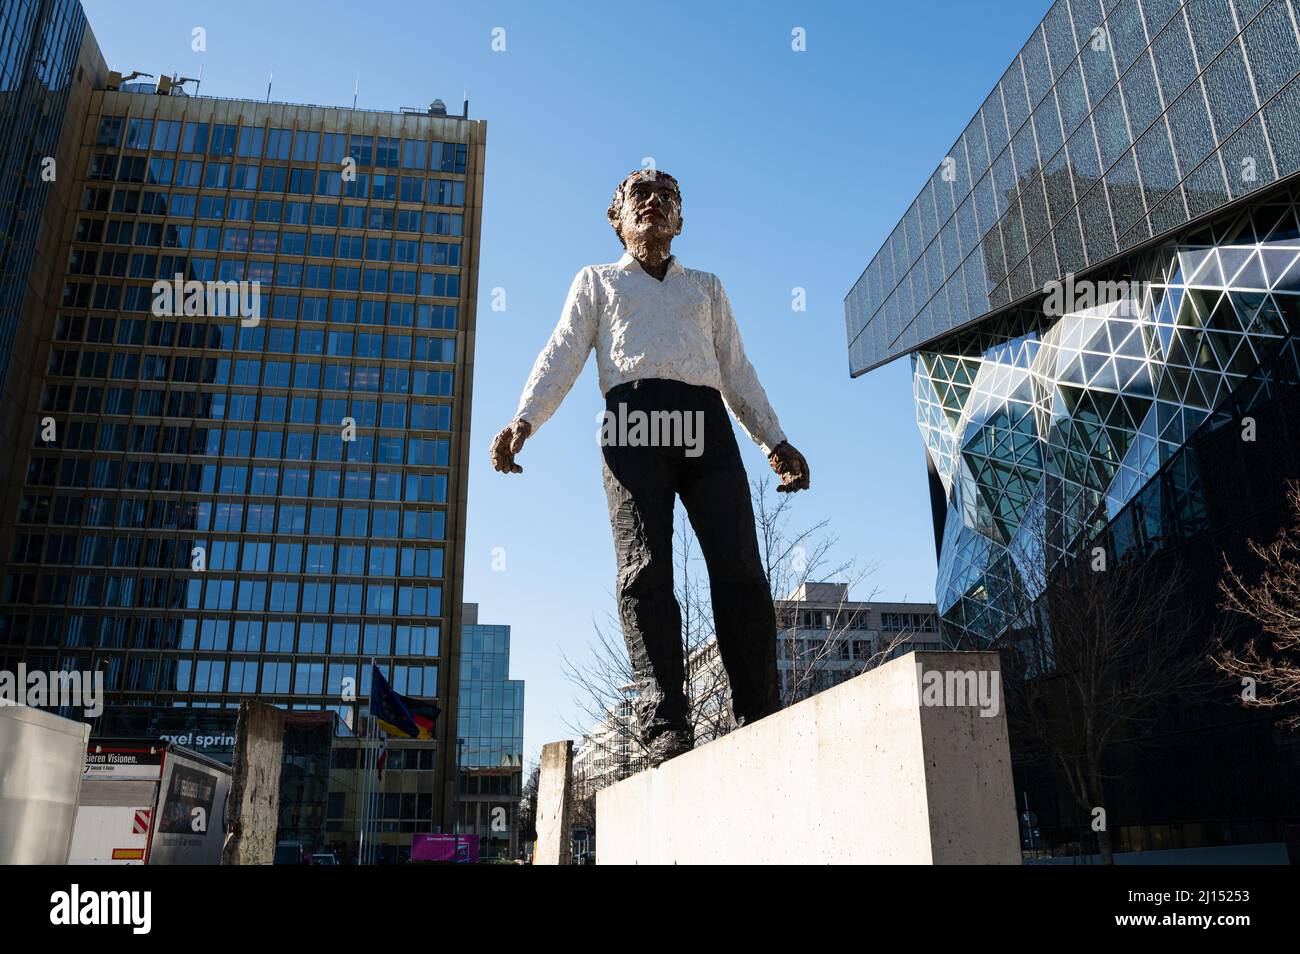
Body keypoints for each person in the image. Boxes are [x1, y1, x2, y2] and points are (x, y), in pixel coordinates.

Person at [490, 169, 810, 765]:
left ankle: (760, 709)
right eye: (640, 193)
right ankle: (664, 722)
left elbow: (736, 369)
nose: (654, 202)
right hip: (632, 422)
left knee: (739, 563)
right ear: (617, 217)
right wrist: (524, 420)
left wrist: (774, 439)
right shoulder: (598, 282)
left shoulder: (707, 288)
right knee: (644, 570)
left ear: (681, 220)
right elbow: (561, 350)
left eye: (668, 196)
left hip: (705, 424)